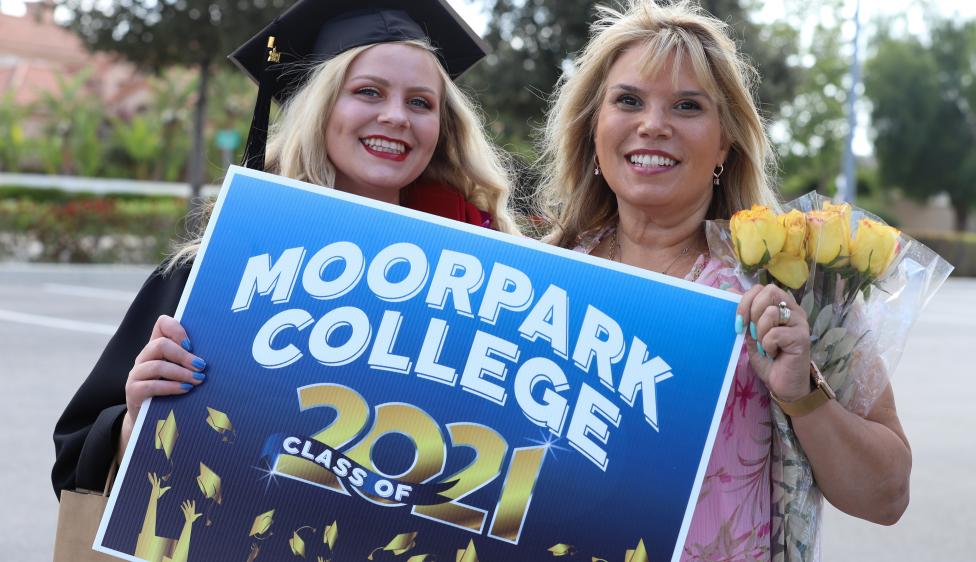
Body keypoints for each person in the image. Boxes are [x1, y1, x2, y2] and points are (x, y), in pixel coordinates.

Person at [52, 0, 517, 499]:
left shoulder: (487, 284)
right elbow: (75, 468)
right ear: (319, 107)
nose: (396, 116)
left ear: (442, 127)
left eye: (421, 102)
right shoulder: (218, 269)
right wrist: (138, 421)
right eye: (367, 92)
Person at [536, 1, 910, 559]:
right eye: (628, 100)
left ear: (724, 143)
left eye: (687, 106)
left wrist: (802, 397)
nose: (653, 125)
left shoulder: (792, 282)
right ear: (594, 128)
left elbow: (887, 496)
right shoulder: (542, 273)